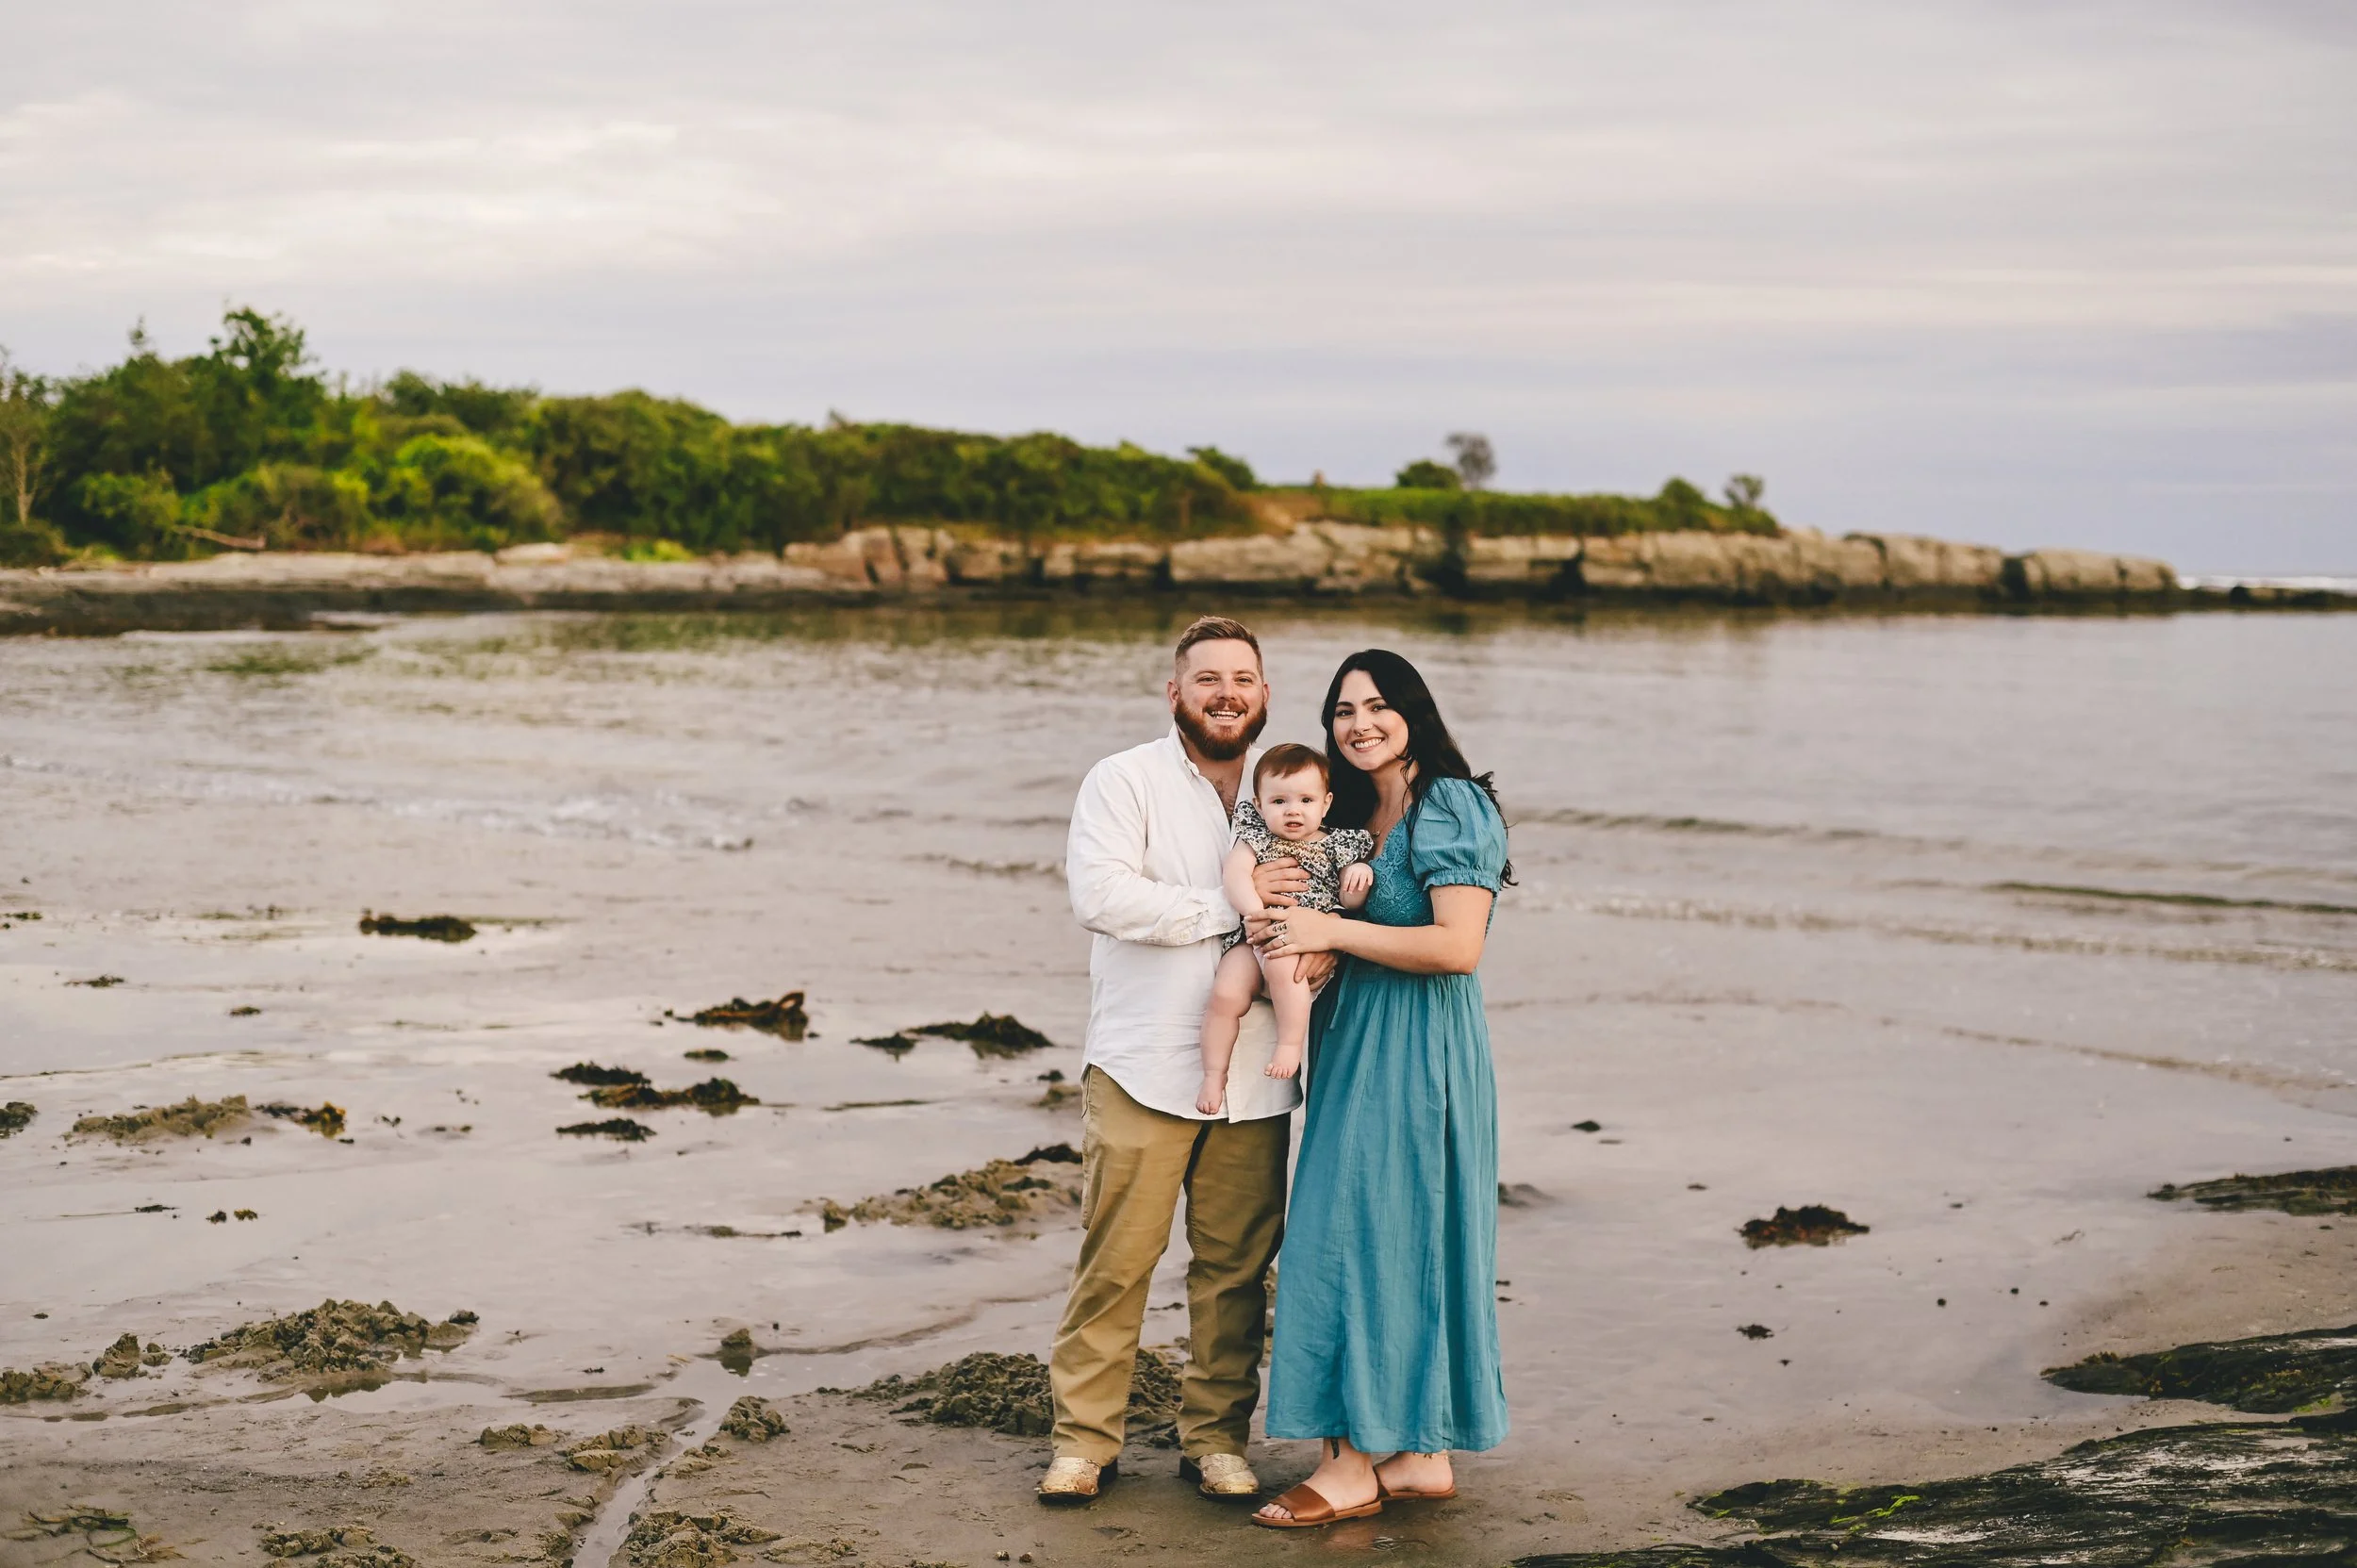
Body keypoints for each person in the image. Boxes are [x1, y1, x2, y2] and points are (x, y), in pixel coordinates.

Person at [1041, 616, 1336, 1505]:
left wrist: (1329, 945)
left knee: (1237, 1270)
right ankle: (1084, 1441)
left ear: (1265, 692)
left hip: (1260, 1074)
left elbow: (1340, 892)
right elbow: (1102, 896)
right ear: (1175, 692)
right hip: (1140, 1062)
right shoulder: (1123, 779)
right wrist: (1234, 906)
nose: (1225, 693)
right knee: (1116, 1262)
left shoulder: (1302, 786)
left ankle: (1213, 1438)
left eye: (1242, 678)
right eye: (1206, 679)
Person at [1244, 649, 1513, 1529]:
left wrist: (1332, 928)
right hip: (1357, 1039)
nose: (1358, 723)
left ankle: (1352, 1462)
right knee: (1398, 1231)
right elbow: (1350, 920)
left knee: (1347, 1231)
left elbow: (1456, 946)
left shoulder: (1452, 803)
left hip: (1420, 1050)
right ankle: (1417, 1451)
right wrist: (1321, 937)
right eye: (1342, 709)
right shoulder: (1354, 810)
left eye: (1377, 705)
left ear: (1414, 711)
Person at [1196, 744, 1374, 1114]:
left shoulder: (1336, 845)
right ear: (1259, 805)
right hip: (1255, 933)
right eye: (1279, 802)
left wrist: (1359, 875)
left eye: (1305, 800)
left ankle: (1290, 1044)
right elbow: (1236, 874)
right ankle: (1214, 1074)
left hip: (1298, 940)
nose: (1293, 810)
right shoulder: (1256, 838)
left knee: (1282, 965)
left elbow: (1350, 902)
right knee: (1224, 994)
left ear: (1325, 804)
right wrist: (1252, 911)